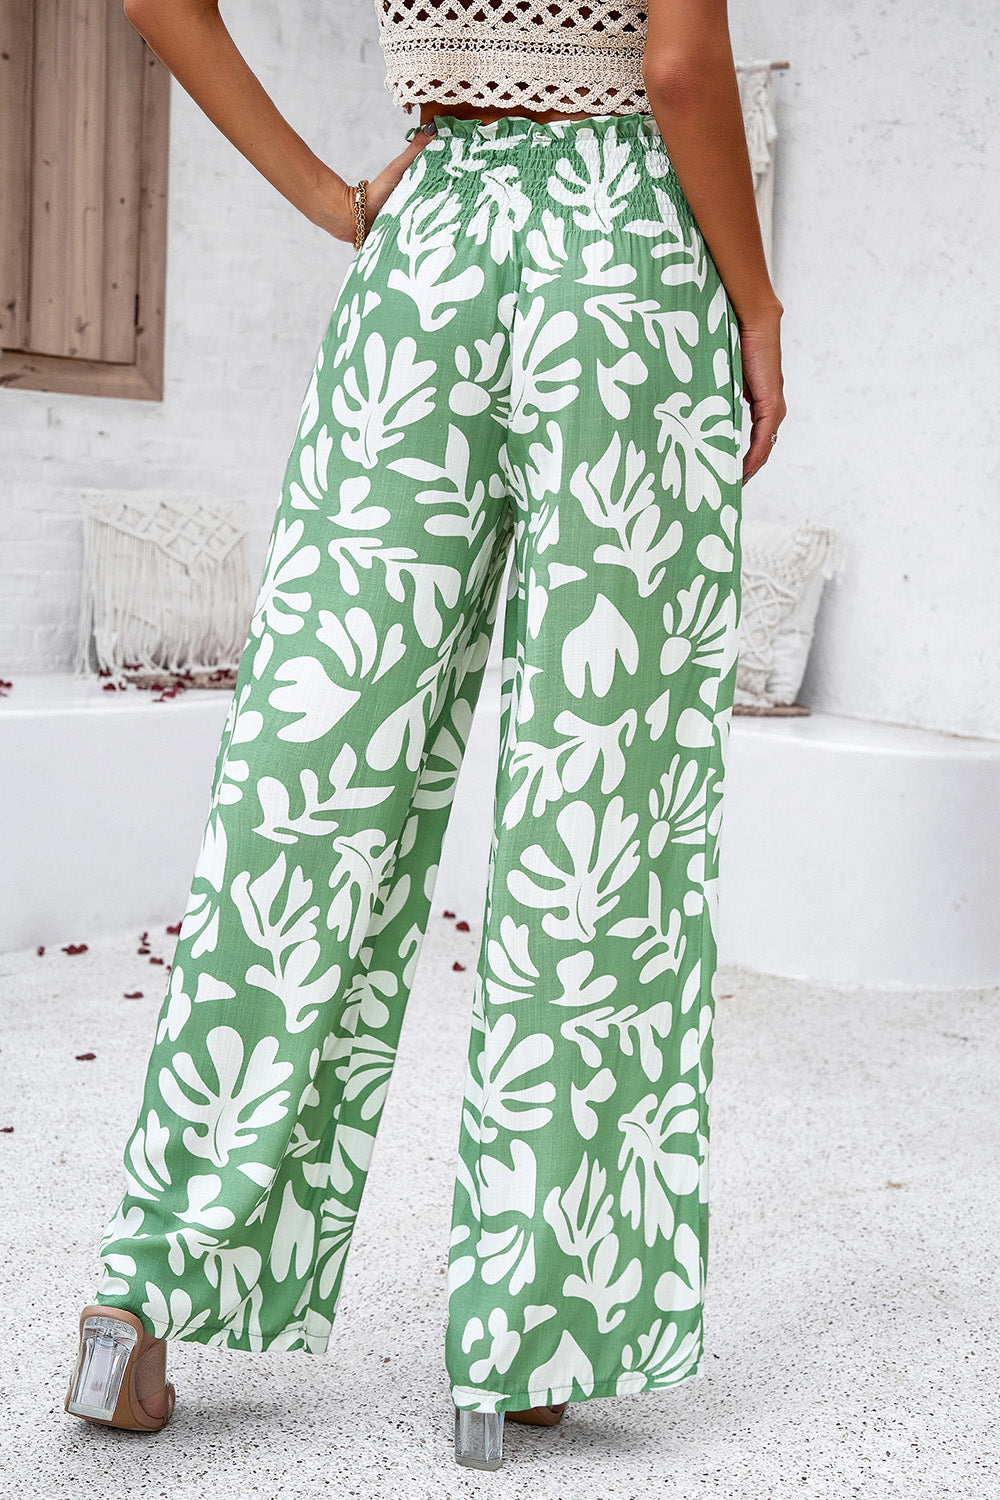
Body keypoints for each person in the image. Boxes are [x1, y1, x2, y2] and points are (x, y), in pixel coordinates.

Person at [65, 0, 785, 1471]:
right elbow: (678, 65)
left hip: (426, 248)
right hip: (625, 261)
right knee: (598, 797)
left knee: (311, 769)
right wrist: (757, 306)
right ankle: (532, 1328)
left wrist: (335, 199)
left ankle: (143, 1297)